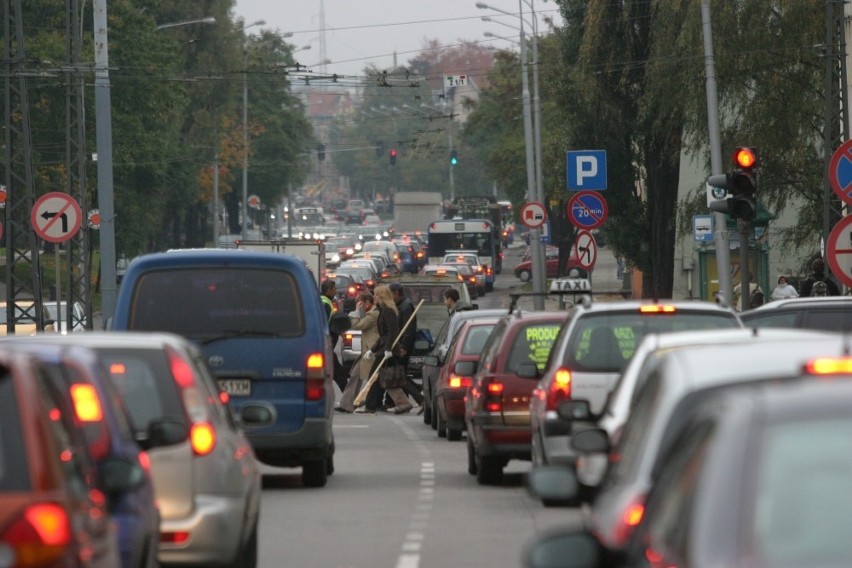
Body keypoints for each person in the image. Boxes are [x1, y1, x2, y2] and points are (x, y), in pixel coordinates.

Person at [358, 285, 412, 415]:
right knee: (387, 378)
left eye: (376, 295)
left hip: (388, 350)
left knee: (377, 377)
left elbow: (392, 332)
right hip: (383, 349)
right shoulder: (383, 310)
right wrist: (372, 350)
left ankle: (371, 406)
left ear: (382, 296)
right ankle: (376, 405)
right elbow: (383, 335)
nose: (374, 297)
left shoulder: (388, 310)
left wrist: (388, 349)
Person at [336, 292, 379, 413]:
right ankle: (348, 404)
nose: (359, 305)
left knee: (378, 378)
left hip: (371, 350)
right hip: (367, 350)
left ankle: (401, 401)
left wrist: (356, 311)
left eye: (361, 303)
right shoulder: (370, 312)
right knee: (356, 375)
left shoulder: (373, 314)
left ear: (367, 303)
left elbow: (357, 325)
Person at [389, 282, 424, 414]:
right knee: (401, 375)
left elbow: (409, 329)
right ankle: (416, 391)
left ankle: (421, 399)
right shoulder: (400, 305)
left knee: (401, 375)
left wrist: (404, 347)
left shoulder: (406, 306)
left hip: (403, 346)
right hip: (399, 345)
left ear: (397, 292)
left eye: (390, 293)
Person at [320, 279, 347, 393]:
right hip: (325, 345)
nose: (336, 292)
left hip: (323, 345)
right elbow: (325, 324)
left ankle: (348, 398)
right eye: (334, 289)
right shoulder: (325, 302)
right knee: (338, 372)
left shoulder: (323, 300)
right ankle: (348, 398)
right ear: (329, 290)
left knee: (335, 372)